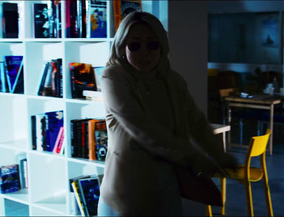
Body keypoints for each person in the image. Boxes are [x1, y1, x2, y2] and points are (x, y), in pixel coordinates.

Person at [98, 11, 239, 216]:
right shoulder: (113, 76)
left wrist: (219, 155)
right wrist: (194, 157)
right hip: (127, 187)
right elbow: (140, 126)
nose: (144, 52)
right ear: (121, 47)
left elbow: (196, 121)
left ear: (162, 46)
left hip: (167, 183)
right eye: (135, 45)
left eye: (152, 44)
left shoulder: (173, 81)